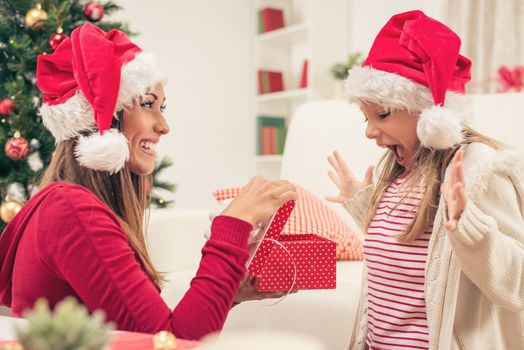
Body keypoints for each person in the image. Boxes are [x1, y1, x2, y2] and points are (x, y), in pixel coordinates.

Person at [0, 23, 297, 340]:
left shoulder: (74, 206)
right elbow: (171, 343)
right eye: (147, 104)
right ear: (107, 118)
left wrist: (231, 291)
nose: (164, 125)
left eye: (162, 107)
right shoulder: (72, 211)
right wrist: (233, 223)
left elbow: (159, 330)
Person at [325, 10, 524, 350]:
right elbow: (411, 251)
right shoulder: (396, 168)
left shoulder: (480, 171)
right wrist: (365, 204)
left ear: (431, 113)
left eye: (383, 115)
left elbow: (516, 285)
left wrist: (469, 226)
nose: (371, 132)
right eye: (366, 119)